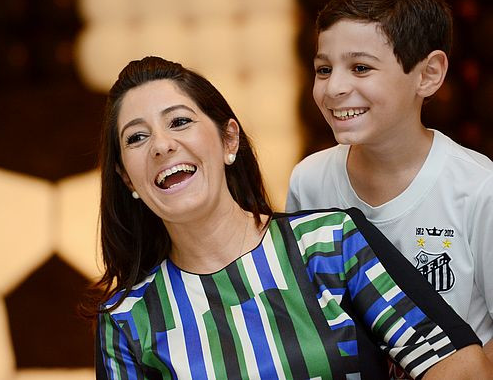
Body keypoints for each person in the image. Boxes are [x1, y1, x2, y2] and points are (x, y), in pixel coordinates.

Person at [90, 56, 492, 379]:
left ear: (229, 140)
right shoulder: (126, 322)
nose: (161, 145)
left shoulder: (332, 243)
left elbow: (461, 367)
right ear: (127, 178)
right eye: (137, 137)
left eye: (179, 122)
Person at [285, 0, 493, 365]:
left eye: (360, 68)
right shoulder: (308, 181)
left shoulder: (480, 189)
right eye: (324, 69)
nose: (334, 88)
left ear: (428, 74)